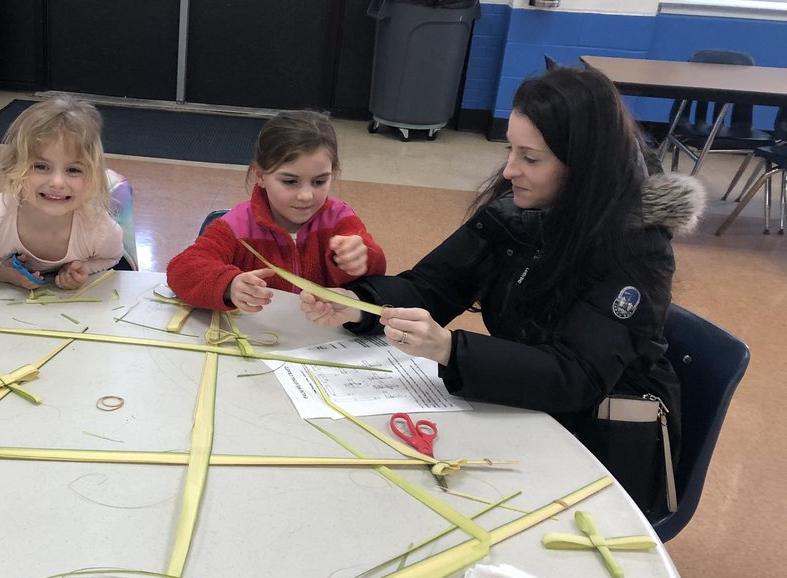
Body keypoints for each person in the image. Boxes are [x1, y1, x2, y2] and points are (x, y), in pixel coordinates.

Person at [301, 66, 706, 515]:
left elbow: (577, 378)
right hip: (527, 405)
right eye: (511, 150)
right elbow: (435, 284)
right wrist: (360, 304)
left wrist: (451, 349)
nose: (511, 169)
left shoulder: (636, 248)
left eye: (531, 158)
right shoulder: (519, 212)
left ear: (584, 166)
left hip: (598, 439)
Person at [166, 110, 386, 313]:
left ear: (333, 174)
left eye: (319, 181)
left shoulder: (340, 219)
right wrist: (229, 285)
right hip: (258, 341)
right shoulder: (237, 227)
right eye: (290, 181)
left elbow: (377, 273)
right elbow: (181, 270)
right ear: (260, 175)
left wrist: (362, 258)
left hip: (323, 339)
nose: (306, 195)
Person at [0, 94, 123, 290]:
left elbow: (112, 257)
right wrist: (3, 273)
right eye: (41, 166)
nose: (57, 182)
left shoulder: (98, 229)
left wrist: (82, 268)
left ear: (93, 178)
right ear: (12, 168)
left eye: (73, 170)